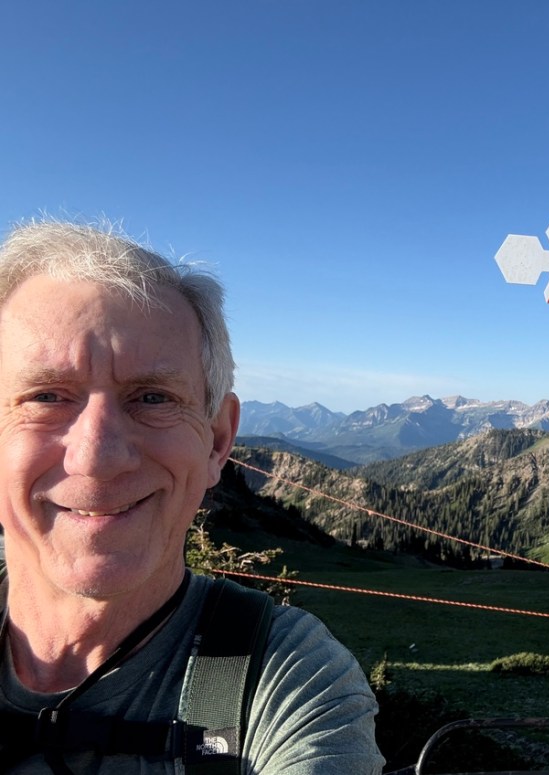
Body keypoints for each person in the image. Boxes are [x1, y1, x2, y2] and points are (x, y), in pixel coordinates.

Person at [0, 221, 385, 773]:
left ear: (219, 441)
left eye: (152, 397)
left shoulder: (286, 678)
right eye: (45, 396)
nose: (98, 456)